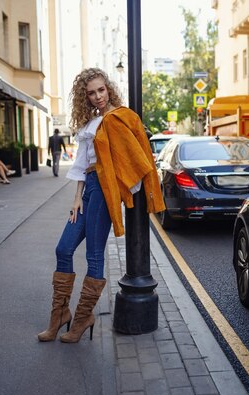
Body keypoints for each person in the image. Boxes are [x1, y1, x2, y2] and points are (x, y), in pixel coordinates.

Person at [37, 68, 165, 343]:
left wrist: (121, 189)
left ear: (109, 89)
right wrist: (75, 199)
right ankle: (60, 315)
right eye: (91, 93)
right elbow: (82, 164)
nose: (97, 97)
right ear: (85, 97)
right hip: (88, 190)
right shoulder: (90, 124)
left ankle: (83, 318)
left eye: (101, 90)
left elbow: (134, 156)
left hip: (105, 191)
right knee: (64, 248)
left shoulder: (121, 117)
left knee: (94, 255)